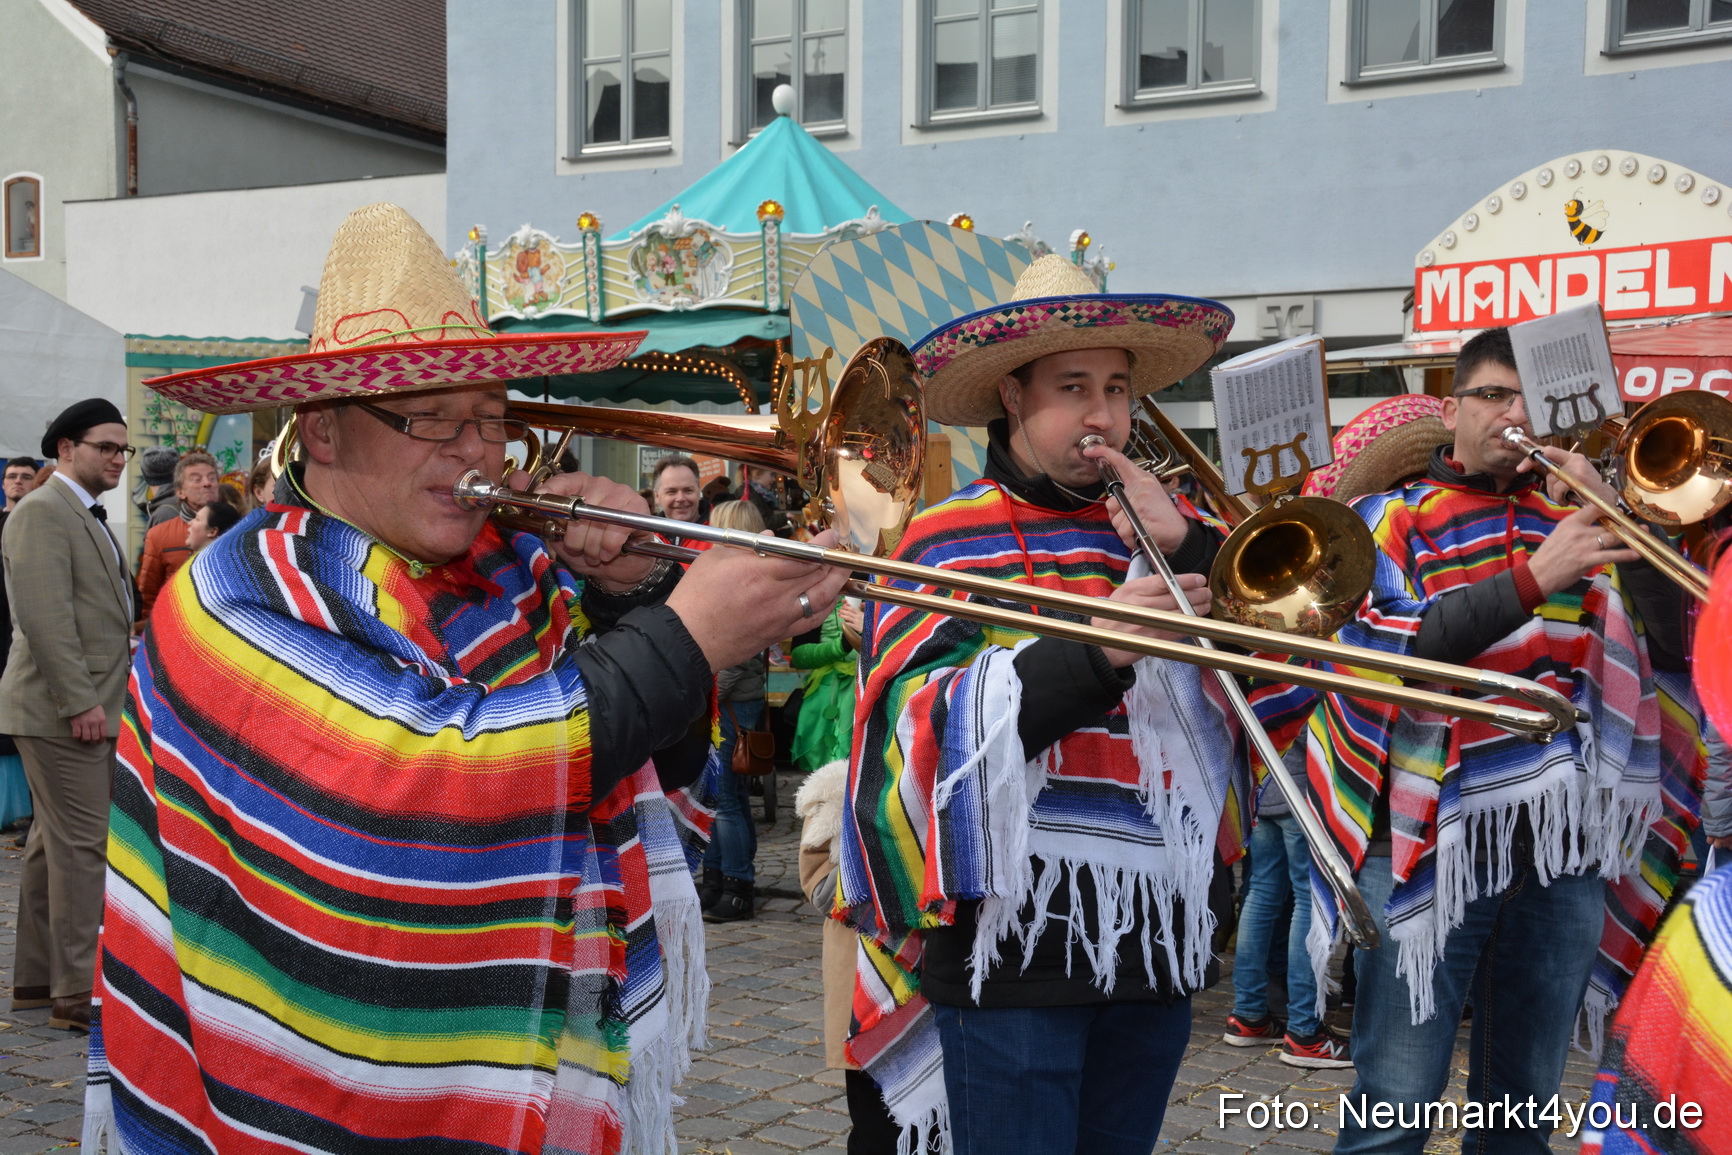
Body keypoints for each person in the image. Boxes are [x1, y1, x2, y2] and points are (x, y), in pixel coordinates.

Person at [80, 203, 846, 1155]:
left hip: (526, 1058)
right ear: (321, 430)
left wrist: (629, 589)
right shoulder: (234, 593)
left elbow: (651, 761)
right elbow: (432, 785)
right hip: (303, 1087)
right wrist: (687, 631)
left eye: (490, 417)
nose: (476, 453)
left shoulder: (507, 573)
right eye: (431, 417)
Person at [840, 255, 1245, 1153]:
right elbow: (915, 737)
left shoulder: (1161, 534)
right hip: (1008, 948)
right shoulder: (944, 539)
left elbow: (1289, 677)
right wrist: (1098, 650)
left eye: (1115, 387)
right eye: (1072, 387)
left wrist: (1196, 544)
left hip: (1155, 942)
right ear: (1013, 398)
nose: (1103, 416)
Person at [1288, 327, 1694, 1155]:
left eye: (1530, 401)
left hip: (1559, 854)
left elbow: (1674, 640)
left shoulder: (1571, 515)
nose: (1514, 415)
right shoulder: (1390, 516)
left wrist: (1621, 510)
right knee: (1394, 1103)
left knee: (1523, 1109)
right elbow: (1397, 646)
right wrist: (1536, 578)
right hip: (1426, 839)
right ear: (1452, 407)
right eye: (1495, 396)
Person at [0, 398, 136, 1033]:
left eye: (122, 449)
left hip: (77, 705)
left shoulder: (79, 512)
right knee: (85, 848)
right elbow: (45, 618)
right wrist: (79, 700)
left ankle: (36, 982)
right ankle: (78, 993)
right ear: (65, 450)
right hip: (64, 710)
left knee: (52, 848)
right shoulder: (43, 512)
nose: (116, 458)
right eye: (104, 446)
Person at [699, 498, 772, 923]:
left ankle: (737, 883)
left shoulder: (744, 579)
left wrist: (702, 688)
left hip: (730, 702)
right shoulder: (747, 575)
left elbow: (734, 653)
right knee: (723, 797)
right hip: (730, 699)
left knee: (726, 799)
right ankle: (718, 876)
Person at [134, 449, 219, 620]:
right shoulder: (159, 535)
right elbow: (148, 595)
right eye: (197, 479)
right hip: (175, 627)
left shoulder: (238, 527)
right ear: (180, 491)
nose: (207, 483)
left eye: (212, 478)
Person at [787, 598, 863, 773]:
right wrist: (839, 647)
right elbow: (798, 656)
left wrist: (868, 627)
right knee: (818, 765)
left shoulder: (883, 596)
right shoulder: (816, 602)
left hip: (864, 691)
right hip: (822, 694)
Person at [651, 453, 704, 530]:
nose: (680, 498)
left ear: (698, 492)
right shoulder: (646, 536)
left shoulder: (720, 533)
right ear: (657, 496)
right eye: (671, 492)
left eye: (688, 490)